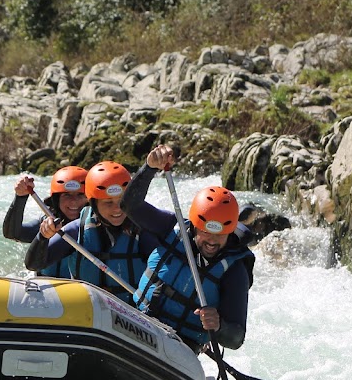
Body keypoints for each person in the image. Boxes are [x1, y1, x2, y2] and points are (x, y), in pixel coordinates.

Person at [122, 144, 254, 351]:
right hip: (136, 325)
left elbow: (236, 339)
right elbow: (130, 206)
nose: (212, 241)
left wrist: (219, 326)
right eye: (206, 232)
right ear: (193, 226)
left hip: (181, 348)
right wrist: (149, 168)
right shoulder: (172, 228)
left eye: (220, 235)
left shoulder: (235, 270)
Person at [25, 162, 156, 302]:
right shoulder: (76, 230)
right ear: (93, 203)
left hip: (132, 315)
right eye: (108, 202)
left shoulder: (142, 231)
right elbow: (33, 264)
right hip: (87, 310)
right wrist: (43, 237)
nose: (117, 209)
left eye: (121, 201)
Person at [3, 166, 88, 277]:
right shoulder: (47, 223)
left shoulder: (95, 227)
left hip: (83, 291)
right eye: (67, 195)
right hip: (47, 291)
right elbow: (13, 233)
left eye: (80, 195)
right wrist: (20, 197)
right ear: (57, 200)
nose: (73, 202)